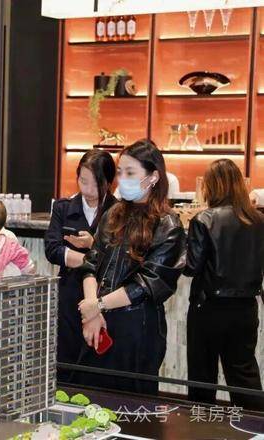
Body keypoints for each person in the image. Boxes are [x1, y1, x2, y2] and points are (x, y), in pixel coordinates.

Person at [75, 139, 186, 395]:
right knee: (89, 399)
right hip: (98, 320)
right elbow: (91, 263)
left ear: (153, 177)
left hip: (137, 327)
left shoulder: (168, 225)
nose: (122, 179)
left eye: (130, 173)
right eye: (120, 172)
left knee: (132, 405)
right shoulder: (113, 214)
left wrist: (97, 305)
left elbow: (146, 284)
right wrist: (92, 310)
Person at [184, 159, 264, 411]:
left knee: (202, 376)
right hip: (246, 308)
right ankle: (255, 425)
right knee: (244, 375)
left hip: (208, 309)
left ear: (211, 186)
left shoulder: (204, 219)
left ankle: (201, 427)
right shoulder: (258, 220)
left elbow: (191, 268)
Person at [44, 149, 117, 383]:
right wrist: (90, 258)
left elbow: (120, 256)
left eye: (95, 184)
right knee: (67, 356)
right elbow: (52, 249)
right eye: (83, 181)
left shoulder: (118, 212)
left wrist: (92, 247)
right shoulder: (64, 208)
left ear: (109, 183)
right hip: (70, 293)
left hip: (105, 296)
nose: (88, 190)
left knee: (98, 360)